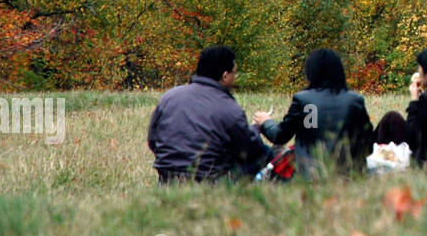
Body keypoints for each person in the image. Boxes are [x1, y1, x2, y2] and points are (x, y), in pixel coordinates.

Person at [148, 45, 271, 183]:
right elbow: (248, 150)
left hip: (166, 180)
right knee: (268, 154)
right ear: (225, 76)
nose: (235, 78)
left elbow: (153, 140)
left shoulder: (169, 97)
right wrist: (257, 127)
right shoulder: (229, 108)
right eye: (234, 73)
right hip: (209, 182)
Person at [255, 49, 374, 179]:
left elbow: (280, 136)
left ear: (311, 72)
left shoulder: (304, 100)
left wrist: (266, 121)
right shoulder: (355, 101)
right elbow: (367, 147)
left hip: (310, 175)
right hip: (349, 175)